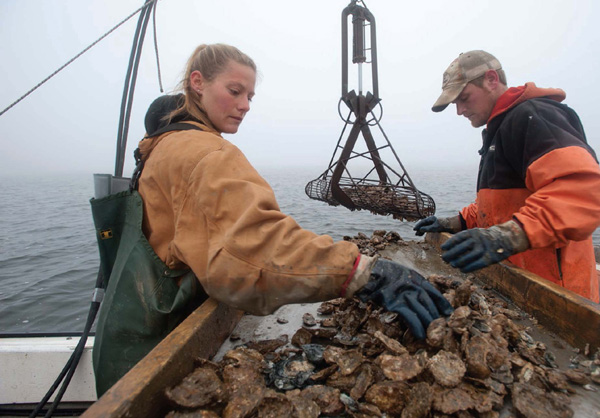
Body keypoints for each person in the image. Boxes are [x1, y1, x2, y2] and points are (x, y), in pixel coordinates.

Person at [93, 43, 453, 395]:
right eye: (234, 91)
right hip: (162, 342)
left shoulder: (162, 144)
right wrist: (362, 271)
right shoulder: (205, 153)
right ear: (198, 82)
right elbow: (251, 250)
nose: (245, 105)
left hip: (129, 341)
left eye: (250, 95)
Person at [414, 50, 600, 303]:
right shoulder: (498, 129)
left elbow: (582, 193)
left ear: (491, 79)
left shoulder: (533, 116)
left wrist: (508, 236)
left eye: (464, 98)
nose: (459, 110)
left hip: (558, 292)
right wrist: (457, 221)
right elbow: (500, 205)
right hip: (520, 285)